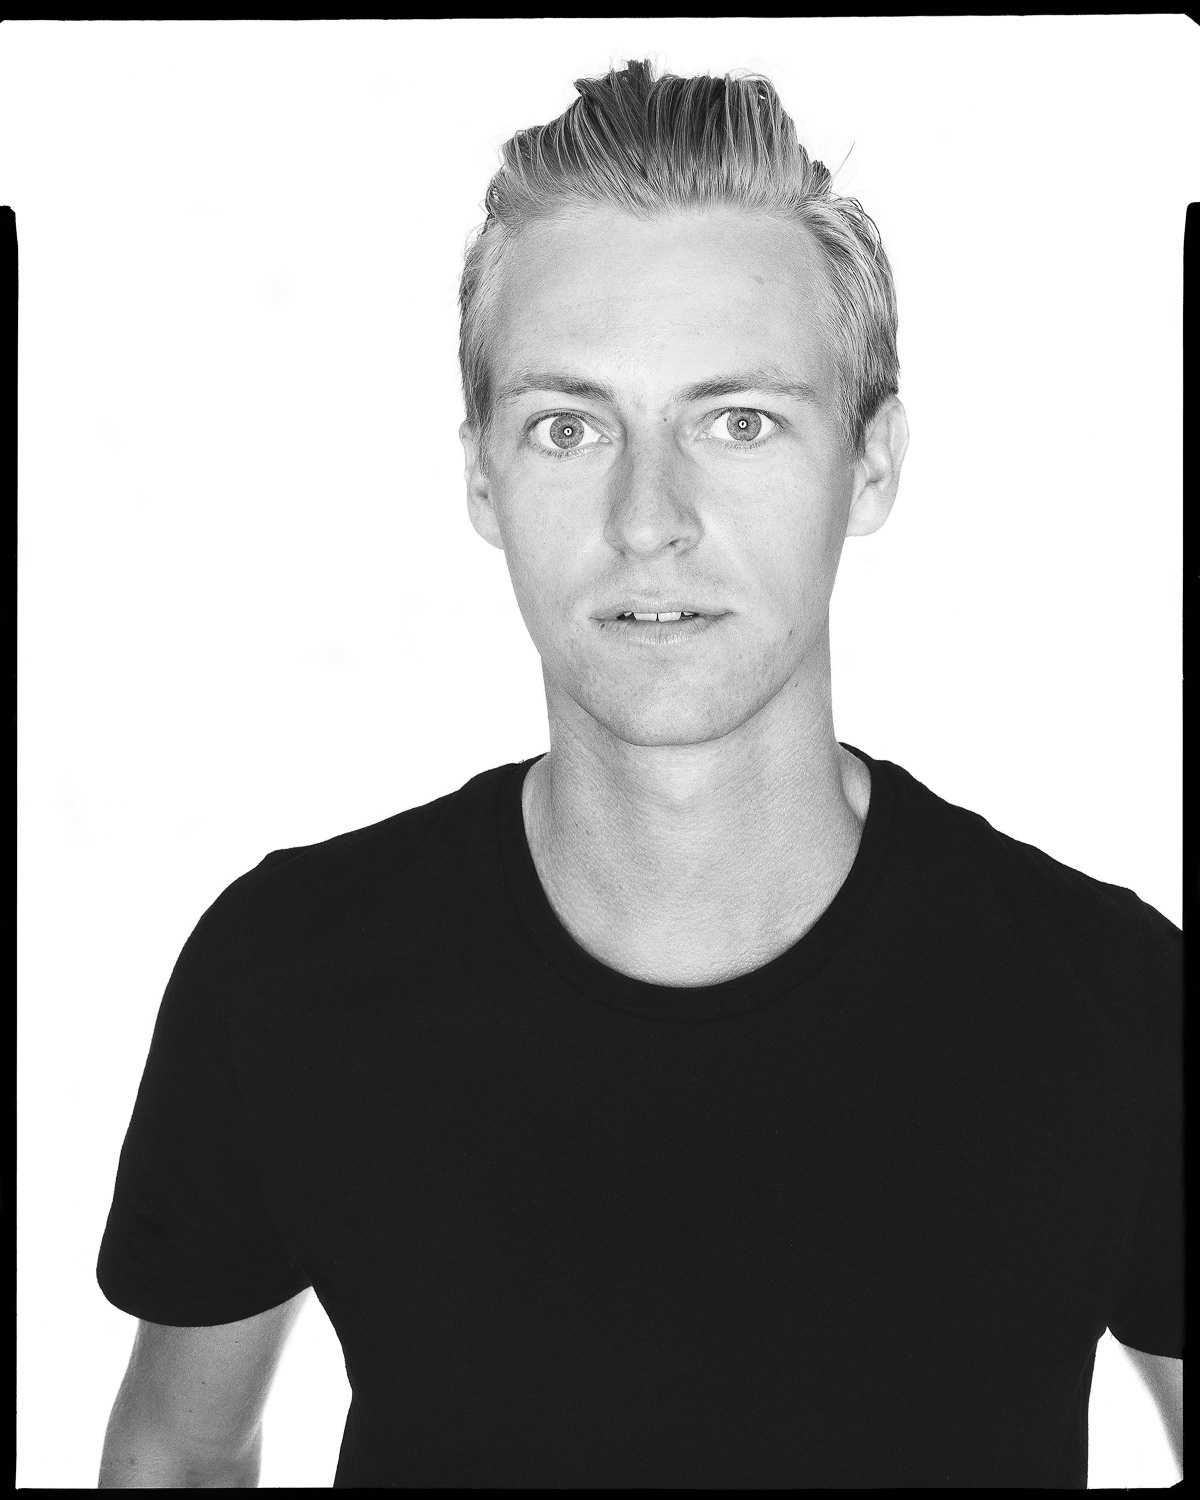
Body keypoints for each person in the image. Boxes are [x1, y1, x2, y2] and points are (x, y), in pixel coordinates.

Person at [96, 58, 1182, 1489]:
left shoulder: (1116, 1010)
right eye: (570, 425)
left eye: (739, 421)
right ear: (481, 475)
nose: (649, 518)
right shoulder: (288, 976)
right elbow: (175, 1460)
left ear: (871, 464)